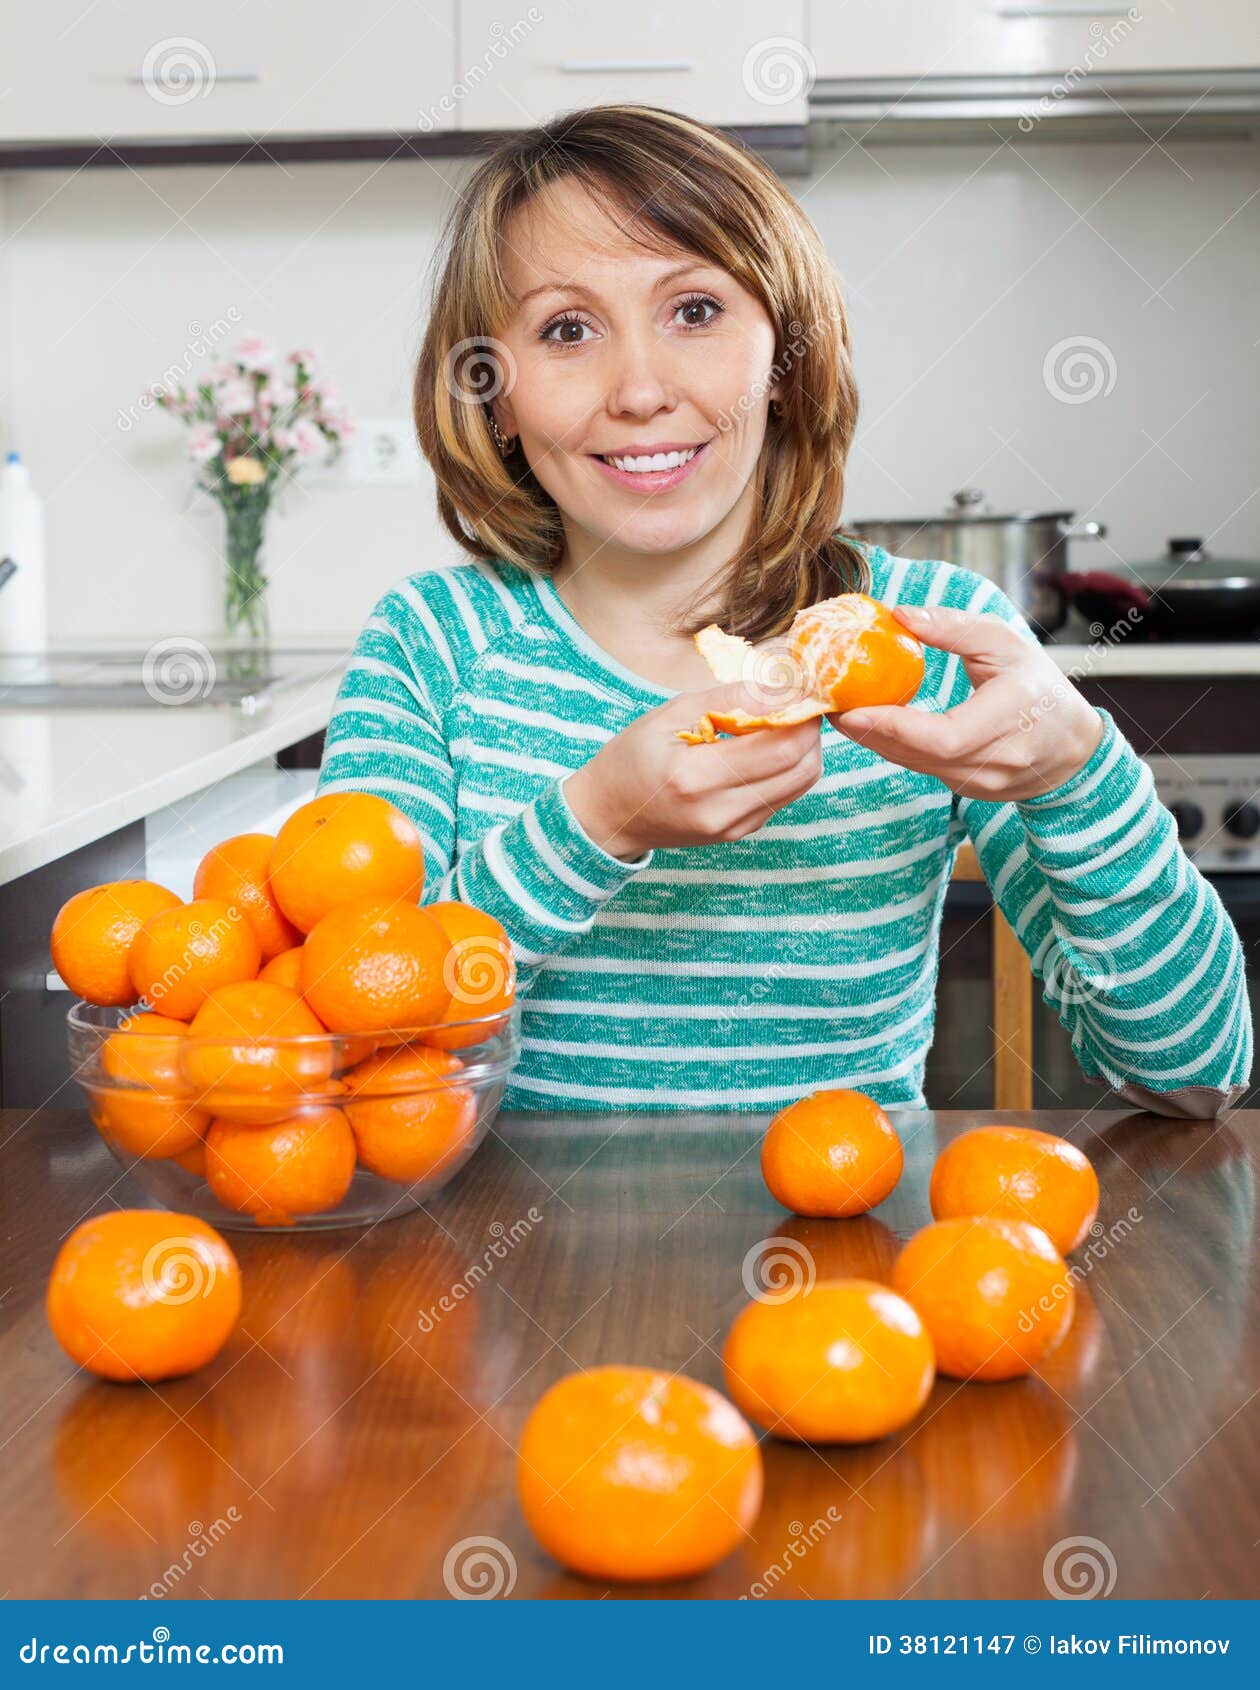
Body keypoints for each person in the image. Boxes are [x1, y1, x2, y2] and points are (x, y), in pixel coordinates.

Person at [318, 104, 1251, 1118]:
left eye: (694, 312)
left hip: (853, 1256)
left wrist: (1080, 771)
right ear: (492, 394)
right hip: (510, 1268)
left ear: (786, 356)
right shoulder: (430, 645)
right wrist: (595, 822)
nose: (639, 390)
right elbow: (357, 1058)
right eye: (568, 329)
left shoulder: (932, 636)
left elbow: (1197, 1083)